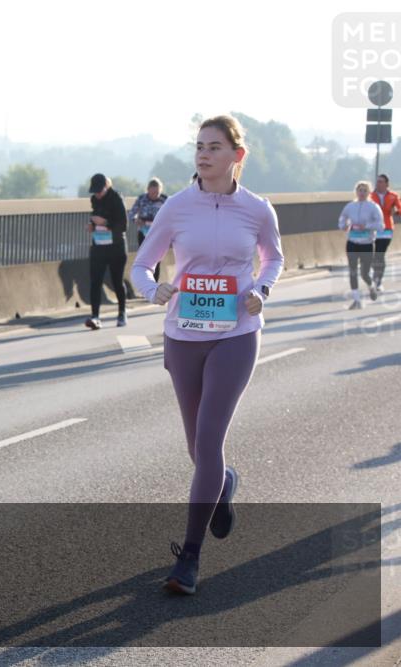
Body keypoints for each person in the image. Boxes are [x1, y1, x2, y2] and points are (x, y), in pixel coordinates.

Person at [130, 115, 284, 595]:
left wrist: (261, 288)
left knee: (211, 438)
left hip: (236, 331)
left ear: (237, 156)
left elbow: (273, 256)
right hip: (183, 332)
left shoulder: (258, 210)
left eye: (214, 147)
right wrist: (152, 290)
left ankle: (189, 558)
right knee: (198, 448)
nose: (203, 154)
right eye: (198, 146)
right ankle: (225, 482)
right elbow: (141, 263)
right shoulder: (176, 207)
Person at [85, 173, 128, 329]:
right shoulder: (94, 200)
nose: (97, 194)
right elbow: (94, 218)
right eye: (95, 191)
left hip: (116, 247)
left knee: (117, 281)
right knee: (95, 281)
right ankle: (95, 316)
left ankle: (122, 312)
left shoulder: (117, 199)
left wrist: (106, 223)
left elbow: (123, 226)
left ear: (106, 187)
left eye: (99, 191)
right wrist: (92, 226)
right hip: (98, 246)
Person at [338, 180, 384, 310]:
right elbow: (342, 218)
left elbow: (380, 226)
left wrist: (367, 226)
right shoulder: (350, 206)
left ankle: (371, 286)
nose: (362, 193)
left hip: (367, 243)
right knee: (352, 271)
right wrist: (343, 225)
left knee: (364, 273)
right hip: (352, 242)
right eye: (360, 190)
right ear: (356, 192)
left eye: (365, 190)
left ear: (369, 192)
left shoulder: (373, 207)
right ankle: (356, 300)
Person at [130, 177, 168, 282]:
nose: (154, 195)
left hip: (158, 234)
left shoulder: (165, 200)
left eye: (157, 193)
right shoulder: (142, 199)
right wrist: (136, 220)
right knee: (144, 259)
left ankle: (154, 284)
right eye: (152, 193)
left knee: (156, 260)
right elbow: (131, 214)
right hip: (143, 232)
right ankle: (146, 283)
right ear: (148, 190)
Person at [371, 173, 399, 293]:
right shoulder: (370, 195)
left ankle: (378, 281)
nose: (378, 184)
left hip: (386, 229)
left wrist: (396, 211)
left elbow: (400, 208)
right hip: (372, 229)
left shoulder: (393, 196)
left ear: (387, 184)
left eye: (381, 181)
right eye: (377, 181)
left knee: (379, 254)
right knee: (372, 256)